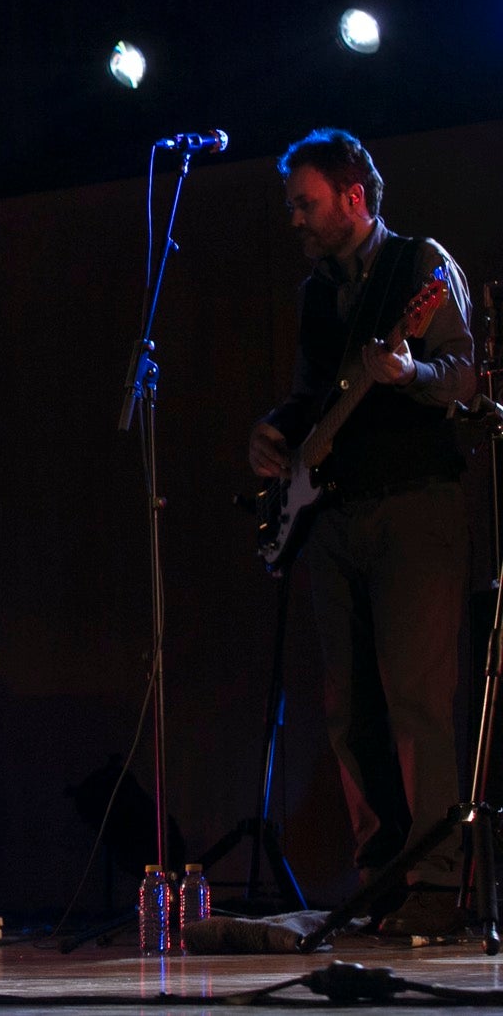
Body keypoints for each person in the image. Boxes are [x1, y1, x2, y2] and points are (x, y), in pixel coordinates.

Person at [248, 128, 474, 937]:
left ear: (353, 197)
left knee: (416, 696)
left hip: (414, 504)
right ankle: (379, 875)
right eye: (291, 207)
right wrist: (274, 433)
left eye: (304, 204)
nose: (295, 220)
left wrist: (409, 372)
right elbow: (312, 399)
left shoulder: (422, 266)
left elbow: (465, 376)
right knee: (350, 708)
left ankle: (438, 880)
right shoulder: (317, 293)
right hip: (336, 515)